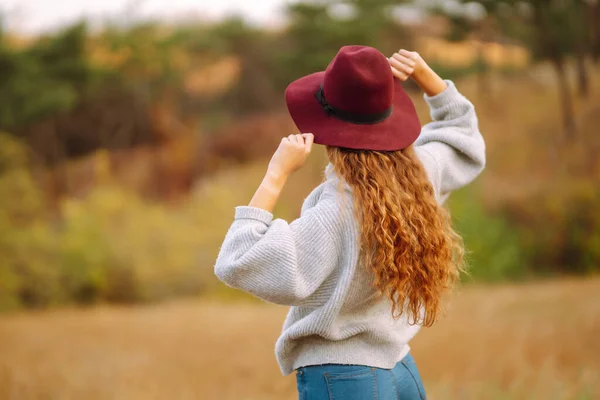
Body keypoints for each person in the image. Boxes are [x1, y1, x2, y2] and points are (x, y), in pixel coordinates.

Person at [214, 45, 485, 400]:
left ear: (324, 126)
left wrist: (275, 173)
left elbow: (239, 259)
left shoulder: (335, 211)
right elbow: (463, 136)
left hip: (342, 379)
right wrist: (426, 75)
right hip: (400, 367)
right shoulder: (419, 177)